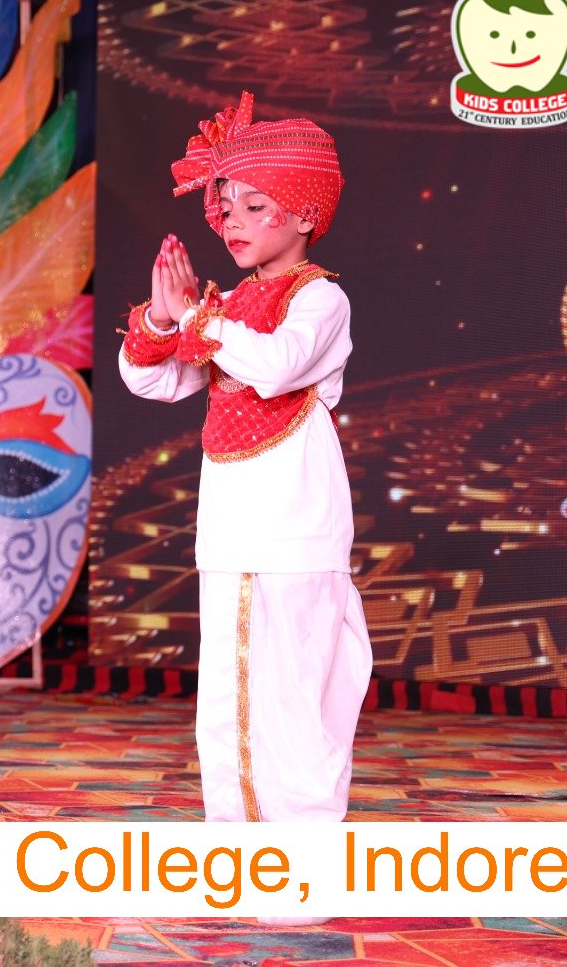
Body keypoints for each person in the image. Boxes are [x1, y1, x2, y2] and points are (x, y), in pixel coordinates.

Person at [117, 92, 371, 922]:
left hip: (296, 523)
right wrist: (165, 318)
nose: (233, 221)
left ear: (306, 213)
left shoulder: (320, 300)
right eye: (226, 207)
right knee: (227, 699)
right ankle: (236, 856)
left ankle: (302, 863)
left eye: (256, 206)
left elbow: (276, 365)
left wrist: (200, 316)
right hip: (229, 525)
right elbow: (152, 380)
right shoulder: (223, 310)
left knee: (295, 693)